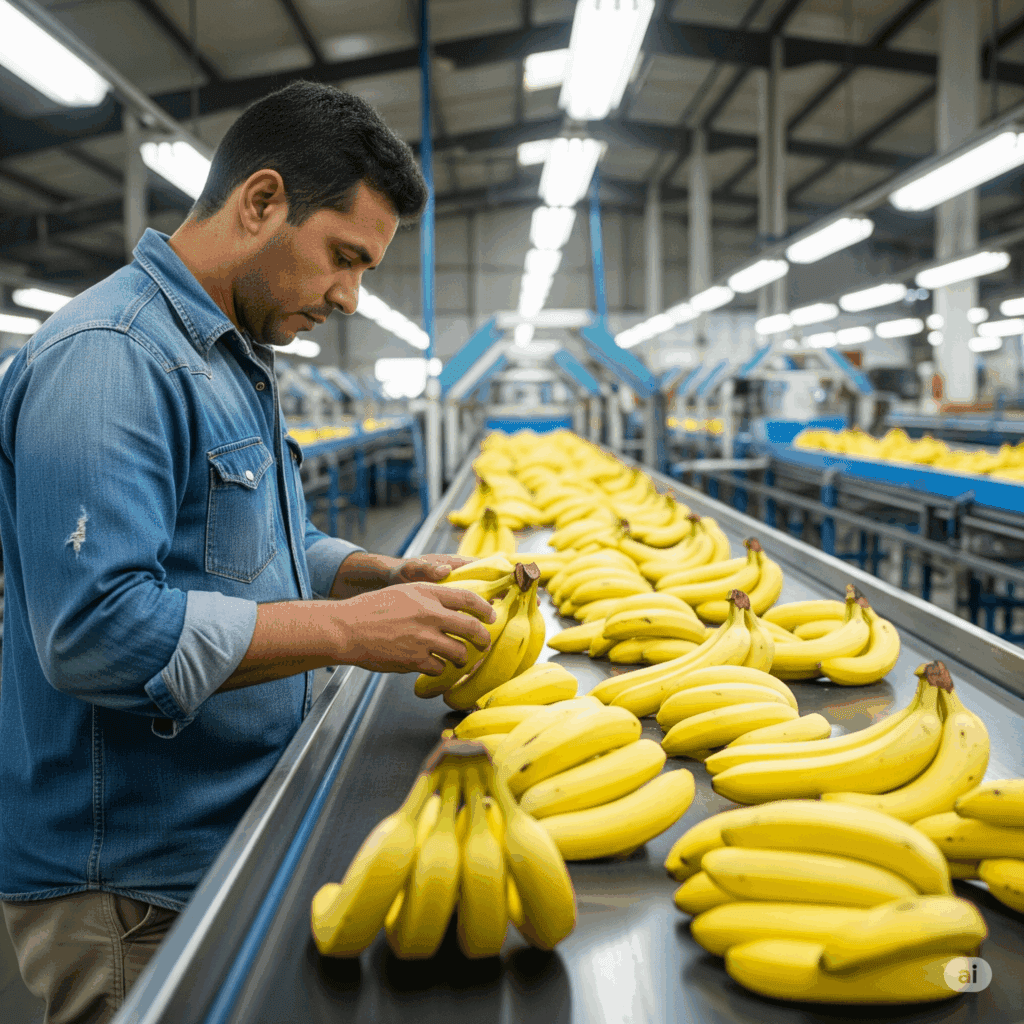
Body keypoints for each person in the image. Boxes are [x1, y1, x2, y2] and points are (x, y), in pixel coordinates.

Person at [0, 81, 493, 1024]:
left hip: (226, 828)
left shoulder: (236, 358)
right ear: (262, 201)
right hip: (135, 886)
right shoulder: (114, 357)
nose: (349, 297)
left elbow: (263, 547)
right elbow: (95, 633)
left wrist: (371, 573)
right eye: (344, 259)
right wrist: (347, 632)